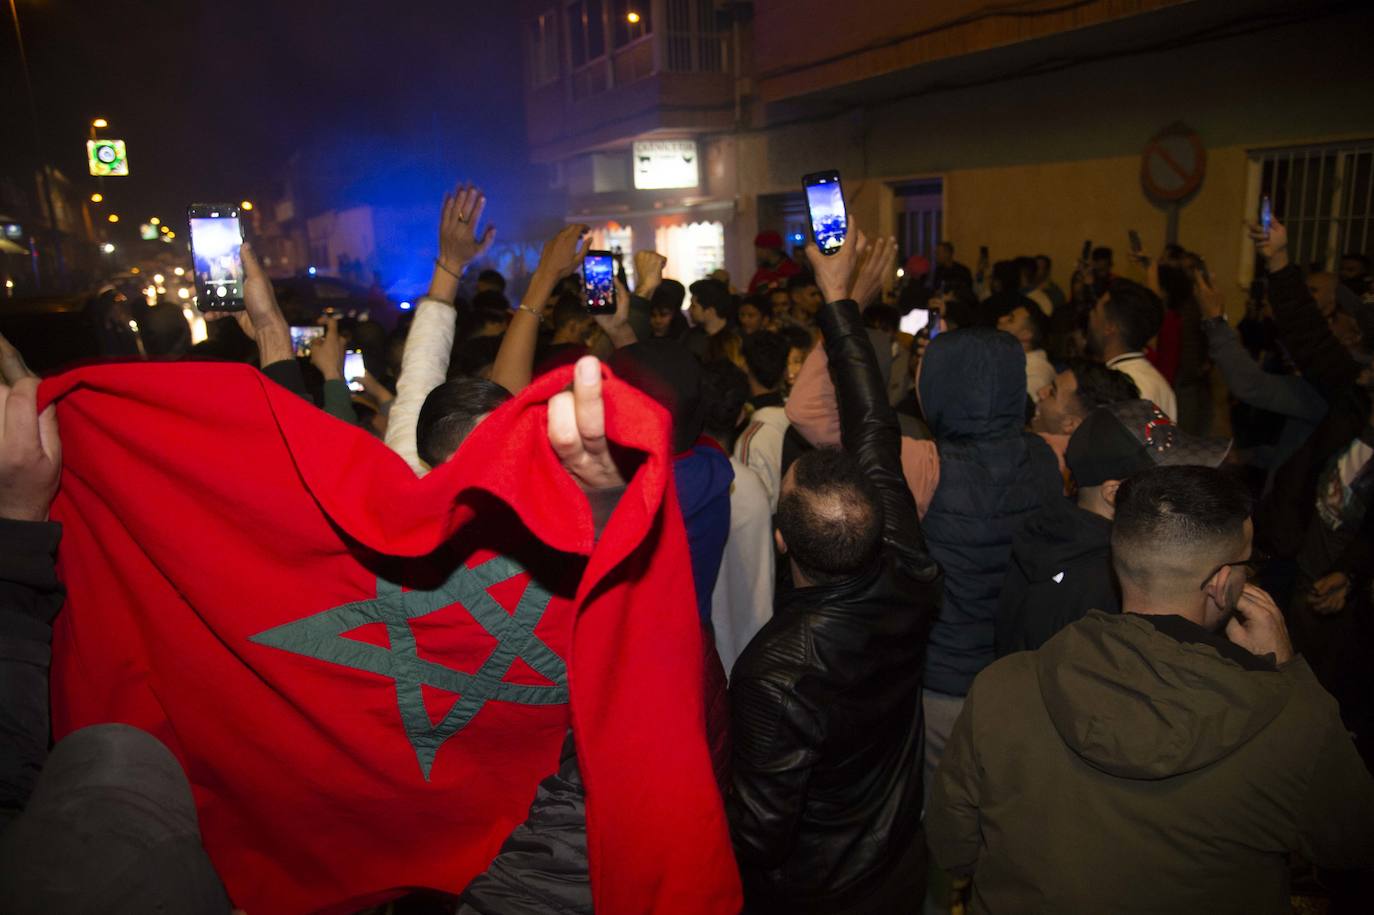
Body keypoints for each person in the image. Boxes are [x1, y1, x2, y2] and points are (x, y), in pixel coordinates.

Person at [928, 465, 1374, 914]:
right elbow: (1354, 843)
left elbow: (955, 846)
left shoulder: (1003, 684)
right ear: (1221, 584)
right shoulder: (1292, 724)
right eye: (1246, 563)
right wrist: (1288, 673)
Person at [728, 230, 941, 914]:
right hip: (902, 857)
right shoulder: (909, 570)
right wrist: (838, 300)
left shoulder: (776, 666)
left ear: (783, 543)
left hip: (823, 891)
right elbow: (873, 419)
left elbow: (758, 832)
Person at [996, 400, 1231, 656]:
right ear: (1114, 493)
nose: (1182, 489)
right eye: (1166, 481)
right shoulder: (1112, 579)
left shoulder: (1053, 531)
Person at [699, 360, 774, 677]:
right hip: (744, 656)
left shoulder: (686, 479)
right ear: (741, 415)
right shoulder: (751, 486)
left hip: (700, 657)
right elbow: (761, 583)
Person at [1086, 278, 1176, 420]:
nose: (1090, 316)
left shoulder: (1123, 386)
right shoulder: (1156, 382)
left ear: (1110, 327)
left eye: (1096, 310)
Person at [734, 331, 791, 510]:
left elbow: (749, 510)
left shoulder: (751, 439)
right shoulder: (801, 420)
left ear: (745, 367)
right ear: (785, 371)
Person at [994, 299, 1055, 403]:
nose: (1001, 319)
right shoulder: (1009, 359)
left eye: (1010, 320)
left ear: (1025, 335)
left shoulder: (1035, 375)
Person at [684, 278, 736, 362]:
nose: (689, 310)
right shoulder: (690, 338)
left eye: (693, 306)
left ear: (710, 311)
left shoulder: (735, 341)